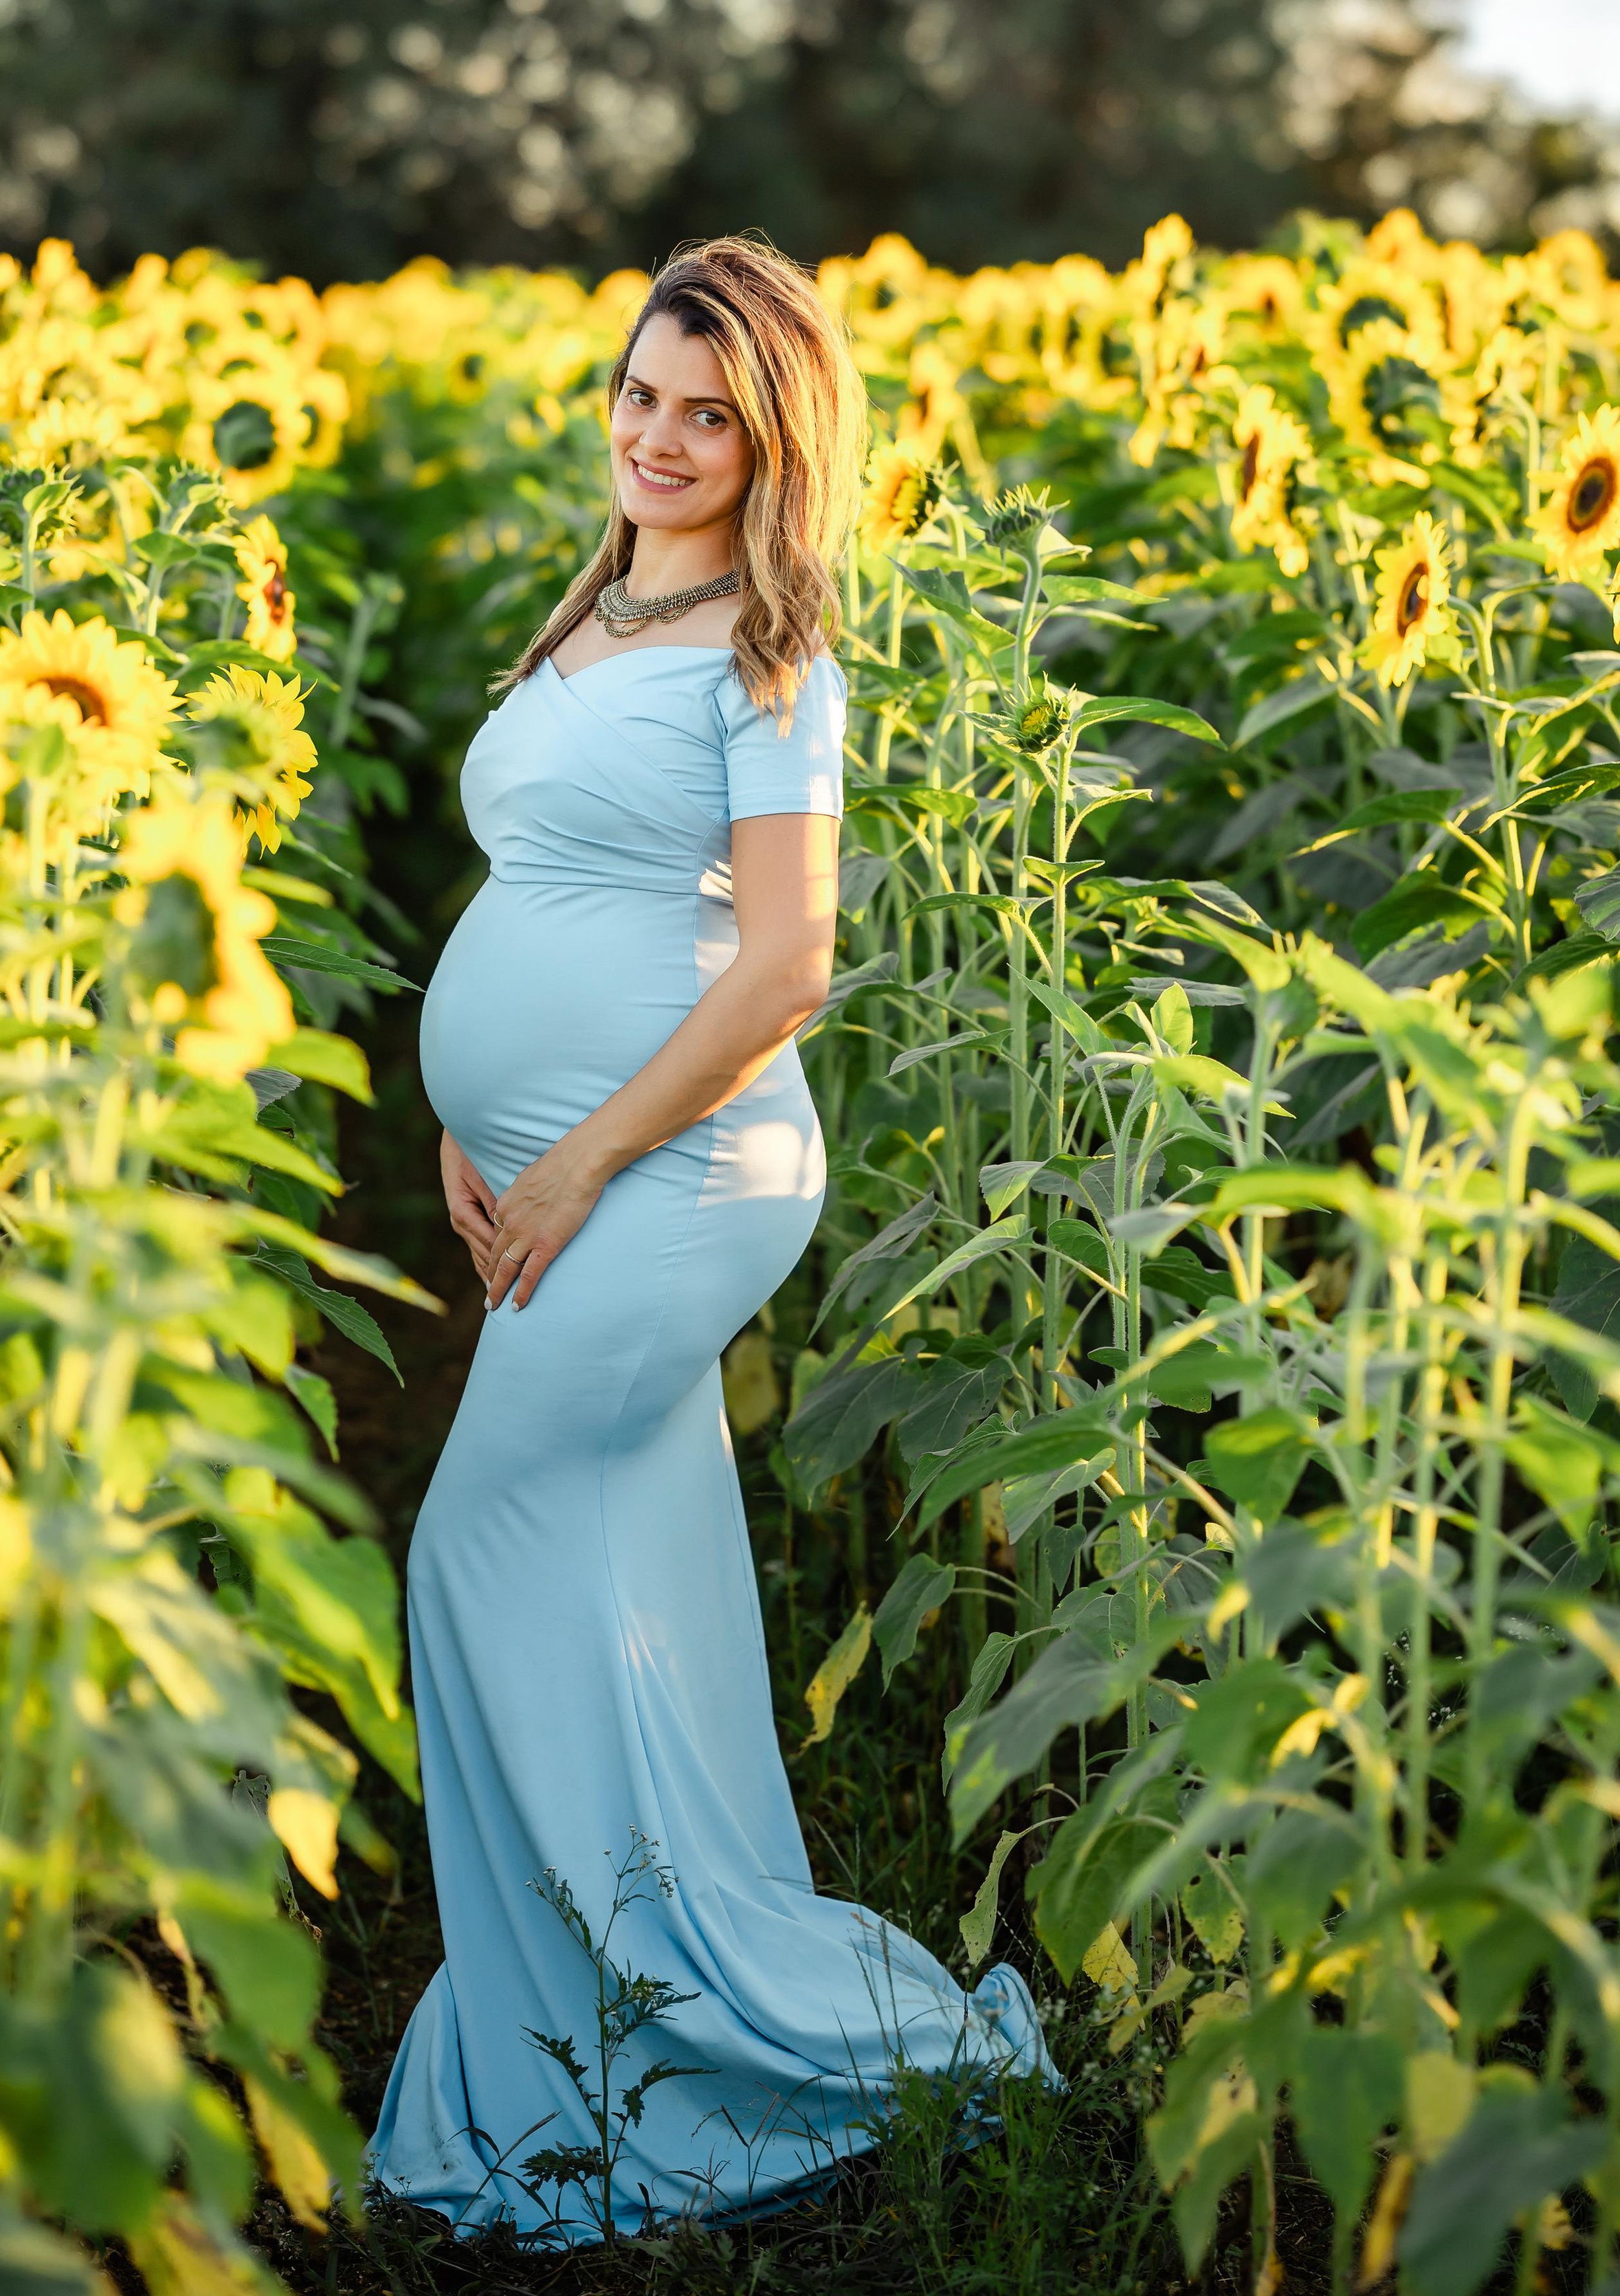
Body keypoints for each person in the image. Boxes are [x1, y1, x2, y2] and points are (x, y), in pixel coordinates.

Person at [370, 236, 1052, 2240]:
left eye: (709, 415)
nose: (661, 439)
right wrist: (456, 1122)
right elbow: (549, 891)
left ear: (777, 442)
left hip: (682, 1181)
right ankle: (630, 2003)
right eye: (643, 396)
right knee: (623, 1589)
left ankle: (635, 2034)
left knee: (477, 1548)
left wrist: (572, 1163)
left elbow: (785, 968)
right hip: (556, 1166)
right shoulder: (596, 607)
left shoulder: (777, 655)